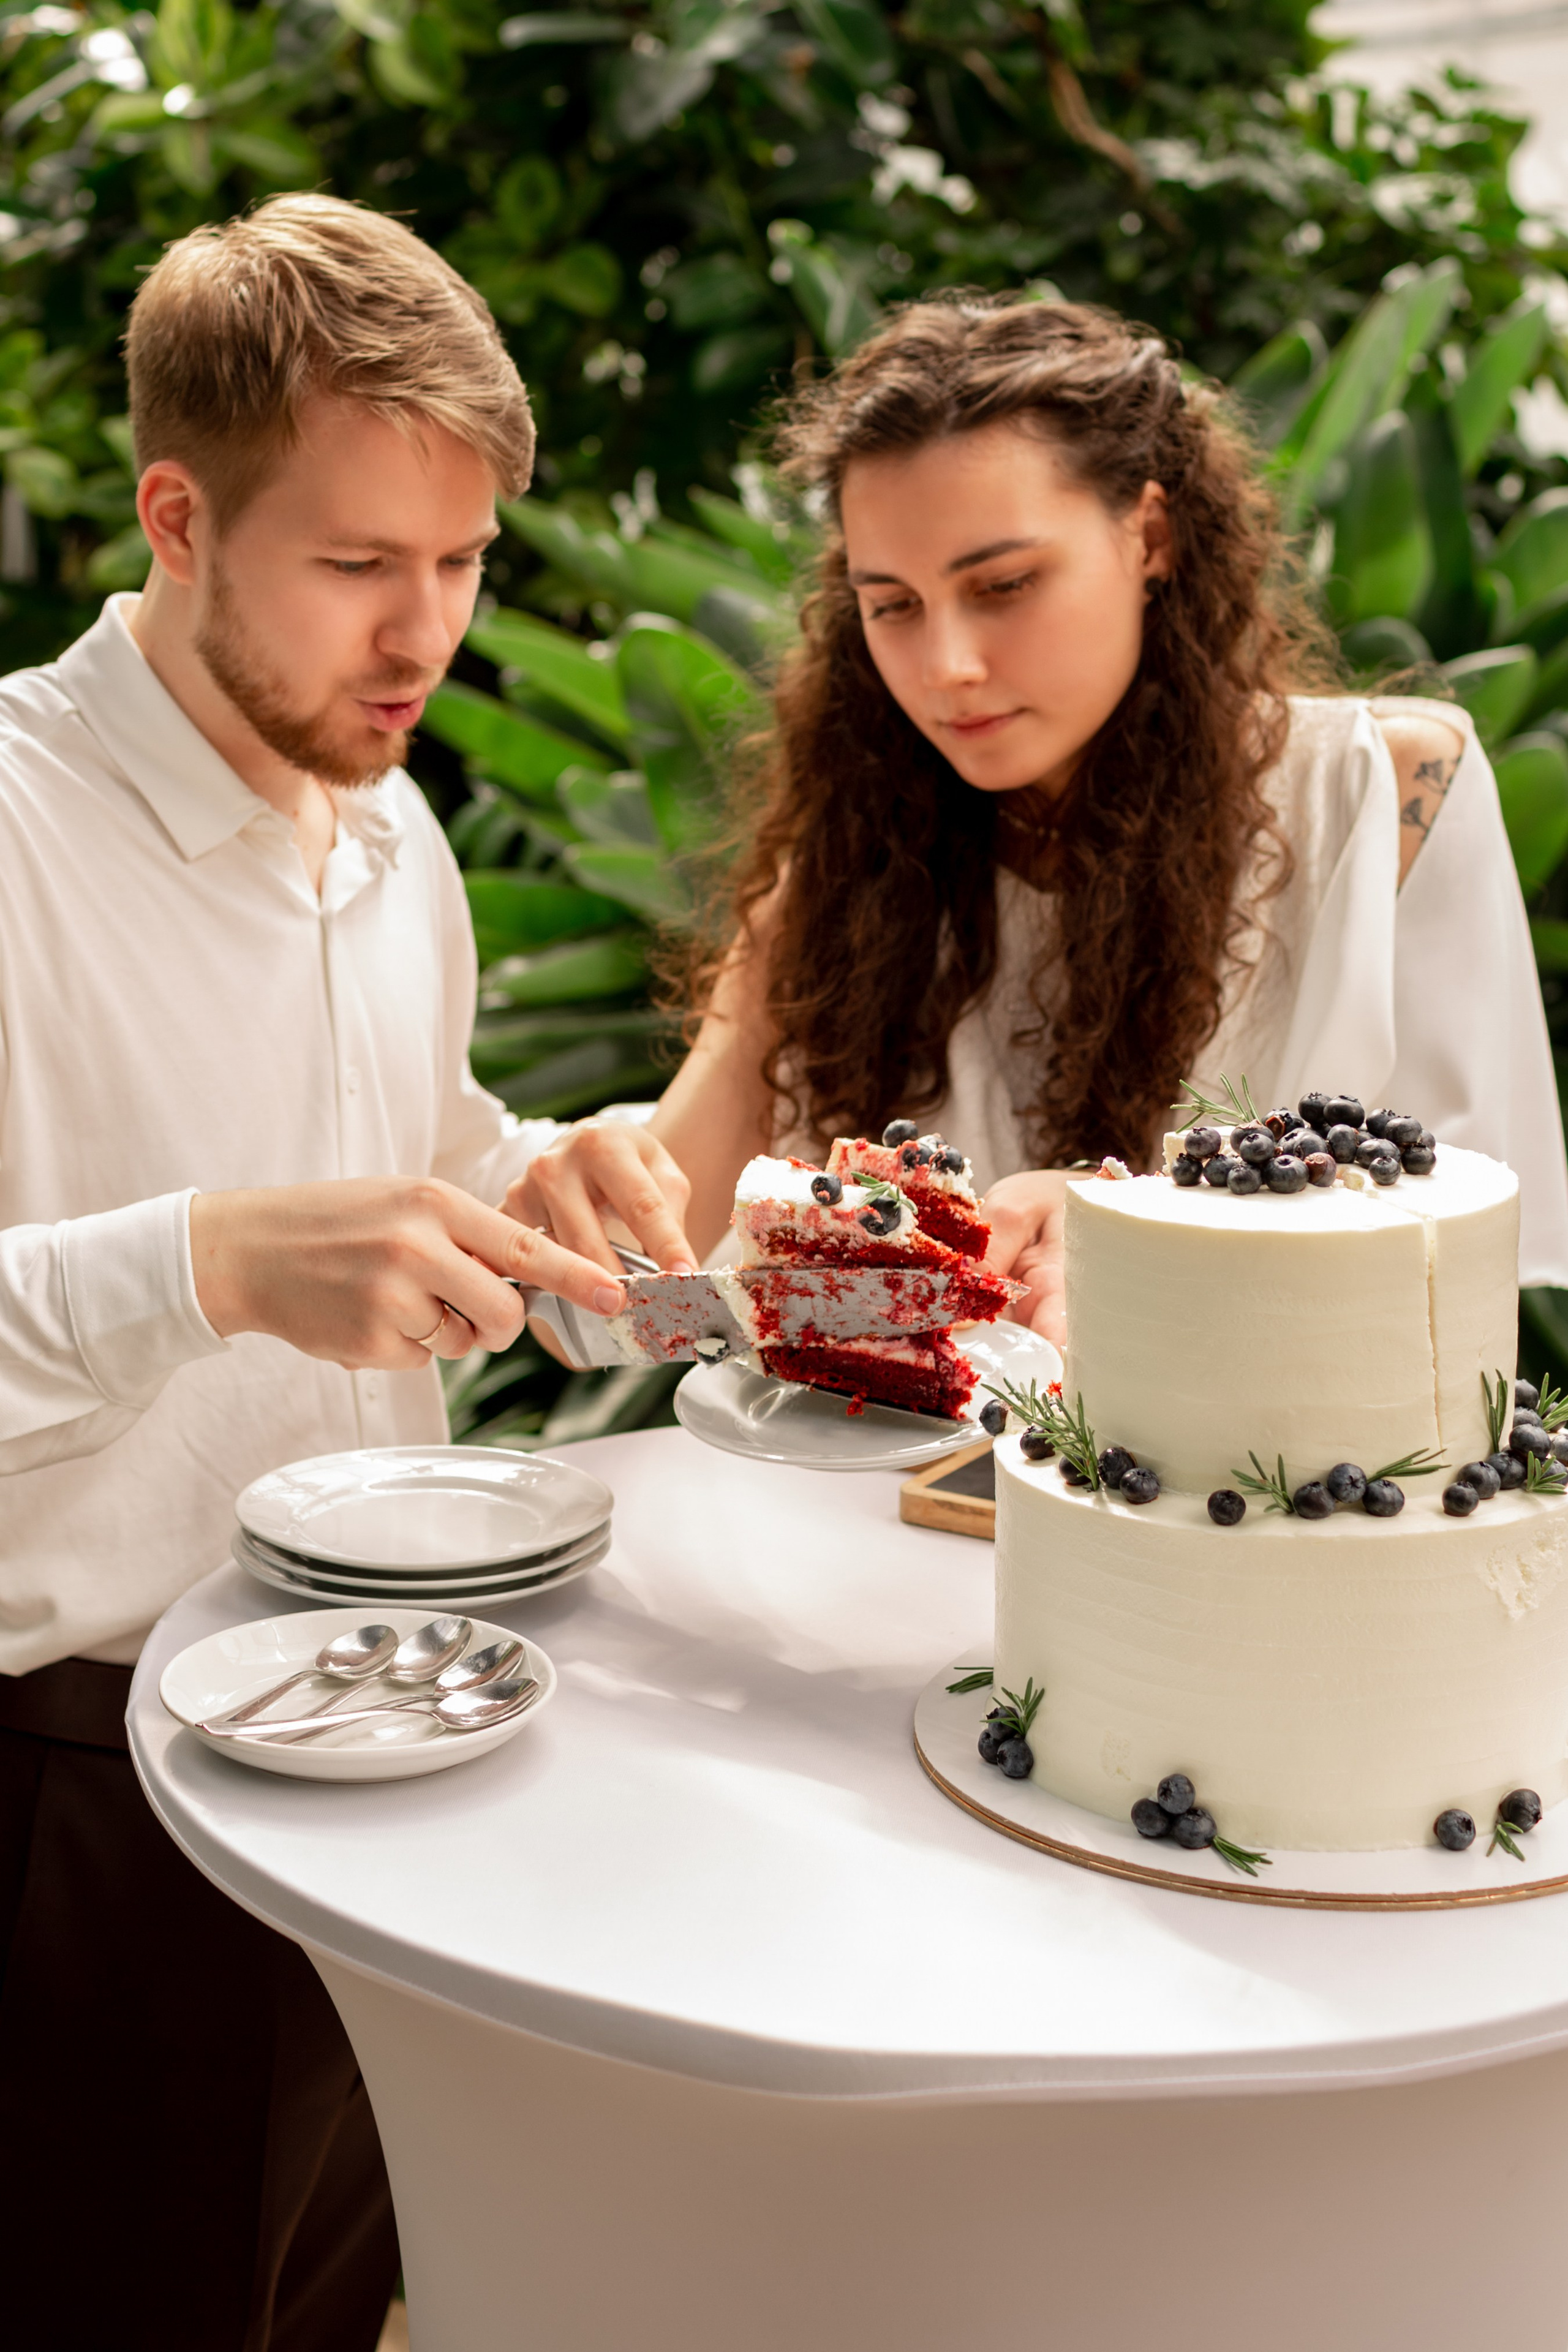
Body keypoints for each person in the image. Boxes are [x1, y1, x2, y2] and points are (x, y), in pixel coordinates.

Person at [0, 195, 695, 2349]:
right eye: (359, 566)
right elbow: (231, 1242)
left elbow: (406, 1147)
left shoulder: (385, 832)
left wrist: (537, 1181)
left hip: (375, 1733)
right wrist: (207, 1264)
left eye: (464, 566)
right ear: (178, 517)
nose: (426, 640)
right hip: (63, 1812)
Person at [578, 294, 1568, 1331]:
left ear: (1149, 535)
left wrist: (1143, 1222)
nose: (947, 668)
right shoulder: (850, 875)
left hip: (1266, 1485)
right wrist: (593, 1188)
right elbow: (634, 1285)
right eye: (893, 606)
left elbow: (1469, 1249)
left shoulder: (1386, 797)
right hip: (910, 1487)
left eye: (1003, 585)